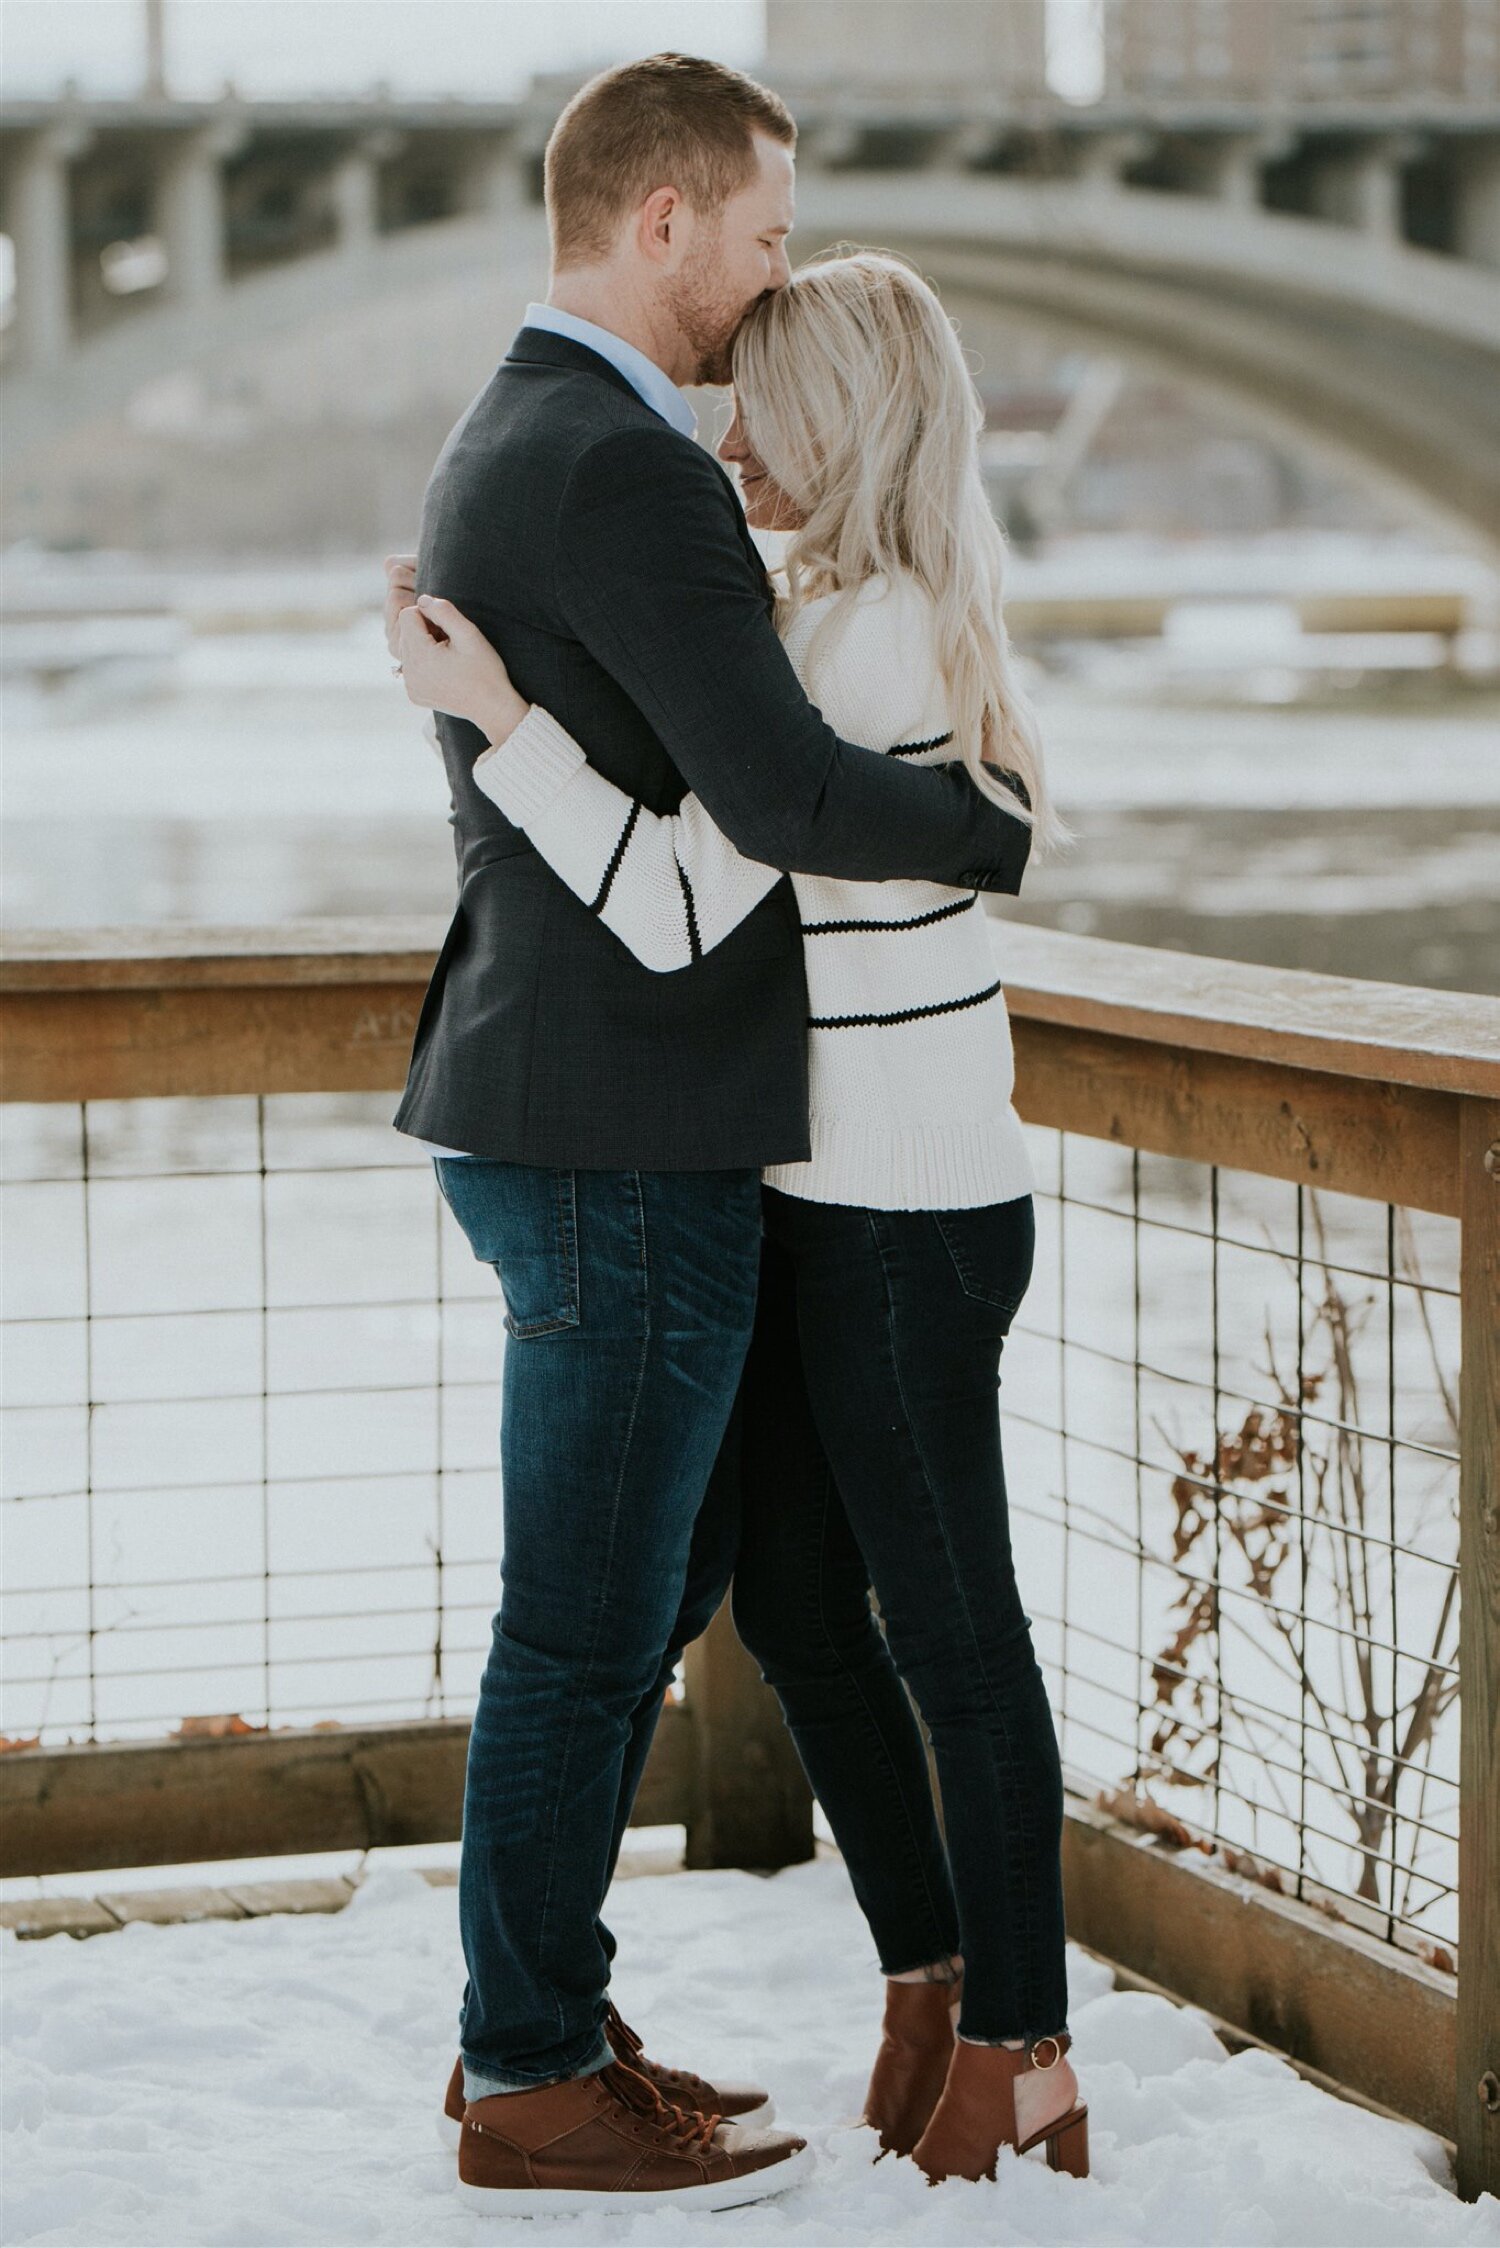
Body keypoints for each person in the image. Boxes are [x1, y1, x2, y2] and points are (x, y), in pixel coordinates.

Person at [386, 54, 1038, 2217]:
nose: (768, 281)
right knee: (594, 1622)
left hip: (621, 1113)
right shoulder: (629, 471)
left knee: (646, 1593)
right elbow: (755, 815)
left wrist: (493, 726)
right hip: (626, 1127)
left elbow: (703, 823)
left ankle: (549, 2020)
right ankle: (533, 2059)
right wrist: (986, 824)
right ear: (662, 220)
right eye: (760, 230)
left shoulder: (525, 431)